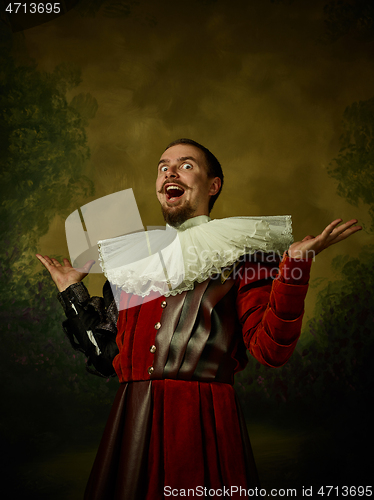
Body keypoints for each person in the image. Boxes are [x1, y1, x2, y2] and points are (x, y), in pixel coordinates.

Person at [36, 138, 361, 499]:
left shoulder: (244, 250)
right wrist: (72, 294)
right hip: (133, 423)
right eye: (163, 167)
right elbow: (107, 357)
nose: (170, 172)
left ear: (213, 185)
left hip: (202, 422)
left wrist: (296, 268)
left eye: (185, 165)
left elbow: (271, 349)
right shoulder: (134, 263)